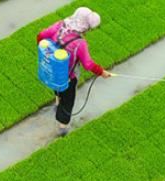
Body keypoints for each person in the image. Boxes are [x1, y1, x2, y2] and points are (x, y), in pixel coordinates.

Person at [37, 7, 112, 137]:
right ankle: (62, 129)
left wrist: (47, 54)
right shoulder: (79, 43)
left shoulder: (60, 25)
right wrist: (102, 72)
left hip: (52, 71)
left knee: (58, 90)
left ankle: (57, 104)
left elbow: (41, 36)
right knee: (68, 103)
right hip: (68, 77)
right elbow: (88, 64)